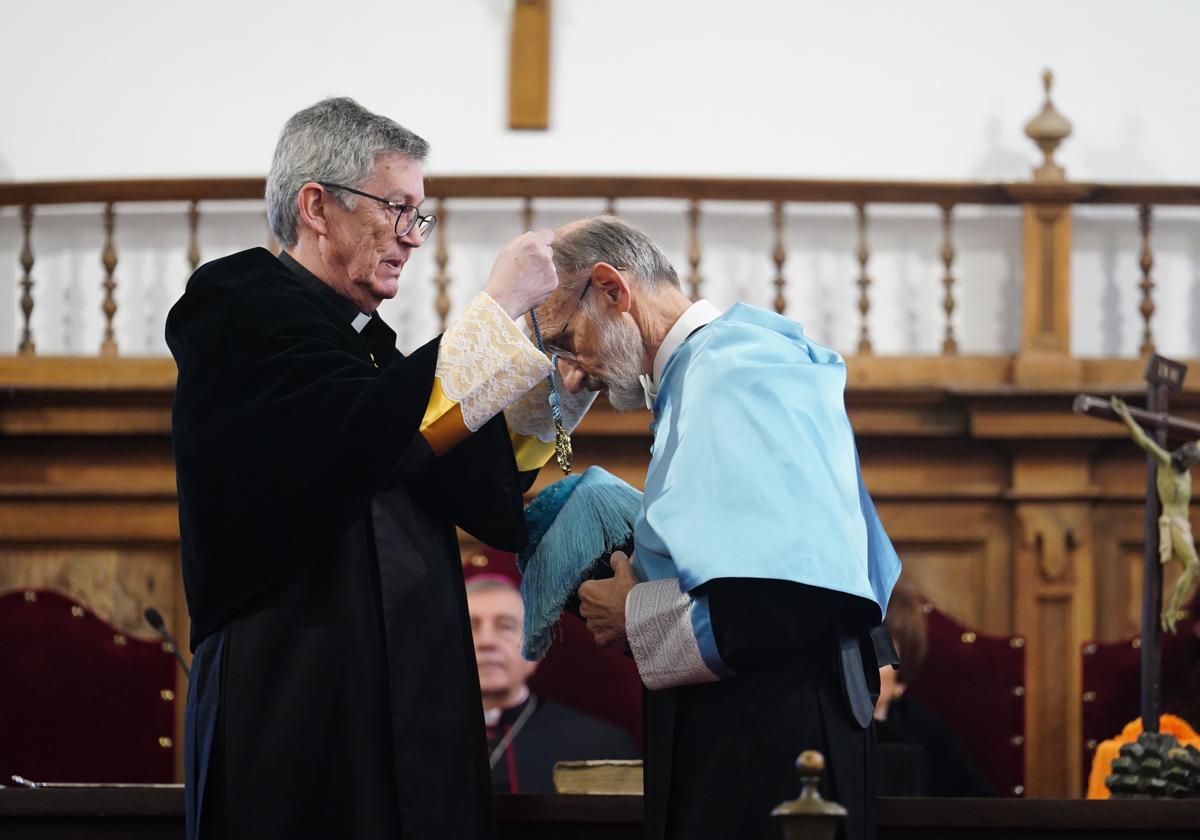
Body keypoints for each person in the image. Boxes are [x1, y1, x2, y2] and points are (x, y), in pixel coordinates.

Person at [167, 97, 591, 840]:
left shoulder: (373, 354)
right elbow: (367, 440)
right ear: (317, 207)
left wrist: (550, 399)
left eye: (419, 216)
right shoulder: (233, 305)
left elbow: (471, 489)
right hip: (298, 689)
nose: (411, 238)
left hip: (412, 700)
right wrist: (494, 312)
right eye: (398, 209)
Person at [532, 217, 901, 840]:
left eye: (567, 339)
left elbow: (785, 596)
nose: (574, 371)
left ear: (612, 290)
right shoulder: (707, 368)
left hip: (772, 739)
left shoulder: (732, 373)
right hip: (756, 721)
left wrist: (633, 615)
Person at [467, 575, 639, 793]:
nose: (487, 641)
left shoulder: (599, 744)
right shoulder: (414, 741)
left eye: (506, 626)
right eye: (470, 627)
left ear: (536, 647)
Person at [872, 585, 991, 797]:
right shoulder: (818, 728)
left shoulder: (929, 739)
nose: (862, 663)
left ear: (902, 677)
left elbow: (979, 814)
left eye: (878, 650)